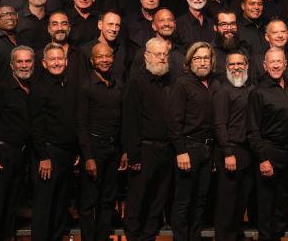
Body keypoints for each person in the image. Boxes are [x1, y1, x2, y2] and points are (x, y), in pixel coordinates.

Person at [122, 37, 176, 240]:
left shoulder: (171, 80)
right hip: (144, 150)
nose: (162, 58)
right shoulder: (136, 81)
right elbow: (130, 120)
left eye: (165, 54)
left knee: (158, 200)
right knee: (137, 199)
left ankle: (149, 237)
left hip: (167, 150)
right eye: (157, 54)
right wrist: (134, 155)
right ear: (146, 56)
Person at [0, 46, 34, 241]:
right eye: (20, 61)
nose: (24, 65)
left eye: (28, 61)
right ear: (12, 65)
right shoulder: (0, 88)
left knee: (11, 209)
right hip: (0, 156)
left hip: (21, 156)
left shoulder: (33, 88)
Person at [249, 48, 288, 241]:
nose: (276, 65)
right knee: (266, 205)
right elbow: (252, 130)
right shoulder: (258, 92)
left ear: (285, 64)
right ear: (265, 65)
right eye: (272, 62)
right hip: (269, 153)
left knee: (282, 204)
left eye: (279, 61)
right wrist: (263, 159)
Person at [30, 43, 80, 241]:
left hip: (67, 155)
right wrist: (43, 157)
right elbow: (36, 126)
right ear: (44, 63)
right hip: (48, 155)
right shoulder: (39, 88)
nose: (57, 62)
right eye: (52, 59)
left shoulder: (70, 85)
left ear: (66, 61)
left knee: (60, 207)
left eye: (60, 58)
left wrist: (75, 150)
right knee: (44, 208)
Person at [168, 42, 217, 241]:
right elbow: (173, 122)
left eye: (206, 58)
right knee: (183, 201)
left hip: (208, 148)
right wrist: (181, 151)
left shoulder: (215, 83)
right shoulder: (182, 84)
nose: (202, 62)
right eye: (197, 58)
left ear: (212, 61)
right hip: (188, 147)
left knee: (200, 200)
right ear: (189, 62)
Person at [77, 42, 125, 241]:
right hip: (94, 149)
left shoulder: (118, 84)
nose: (105, 60)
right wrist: (88, 157)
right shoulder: (85, 86)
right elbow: (81, 124)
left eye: (108, 56)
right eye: (100, 57)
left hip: (113, 149)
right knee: (89, 202)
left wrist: (123, 151)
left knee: (107, 200)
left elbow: (122, 119)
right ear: (92, 61)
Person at [213, 52, 252, 241]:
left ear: (247, 66)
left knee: (240, 203)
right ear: (226, 67)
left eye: (240, 63)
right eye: (232, 64)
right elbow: (219, 125)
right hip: (231, 152)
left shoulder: (252, 90)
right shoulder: (223, 91)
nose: (236, 67)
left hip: (248, 153)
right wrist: (228, 152)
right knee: (227, 204)